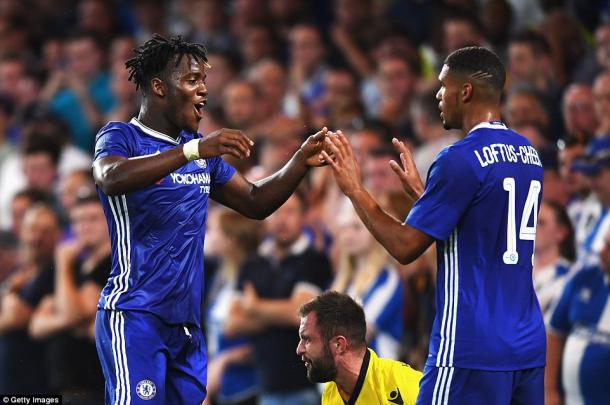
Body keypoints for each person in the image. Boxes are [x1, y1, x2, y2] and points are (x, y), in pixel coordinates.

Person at [92, 34, 329, 405]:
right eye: (192, 81)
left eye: (204, 80)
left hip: (186, 322)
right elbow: (111, 178)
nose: (204, 90)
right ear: (158, 87)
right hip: (134, 314)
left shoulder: (201, 152)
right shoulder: (122, 136)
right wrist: (192, 150)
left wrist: (298, 161)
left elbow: (254, 201)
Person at [321, 46, 546, 404]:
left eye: (444, 86)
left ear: (466, 91)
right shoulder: (529, 153)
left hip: (469, 344)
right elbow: (481, 227)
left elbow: (404, 247)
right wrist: (427, 198)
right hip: (526, 341)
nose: (438, 95)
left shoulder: (459, 157)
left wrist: (354, 189)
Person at [296, 291, 421, 404]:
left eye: (307, 339)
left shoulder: (405, 384)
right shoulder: (330, 394)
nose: (299, 349)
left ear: (339, 345)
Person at [545, 228, 610, 405]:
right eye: (604, 243)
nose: (601, 252)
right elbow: (554, 333)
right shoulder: (585, 277)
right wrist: (548, 391)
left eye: (609, 248)